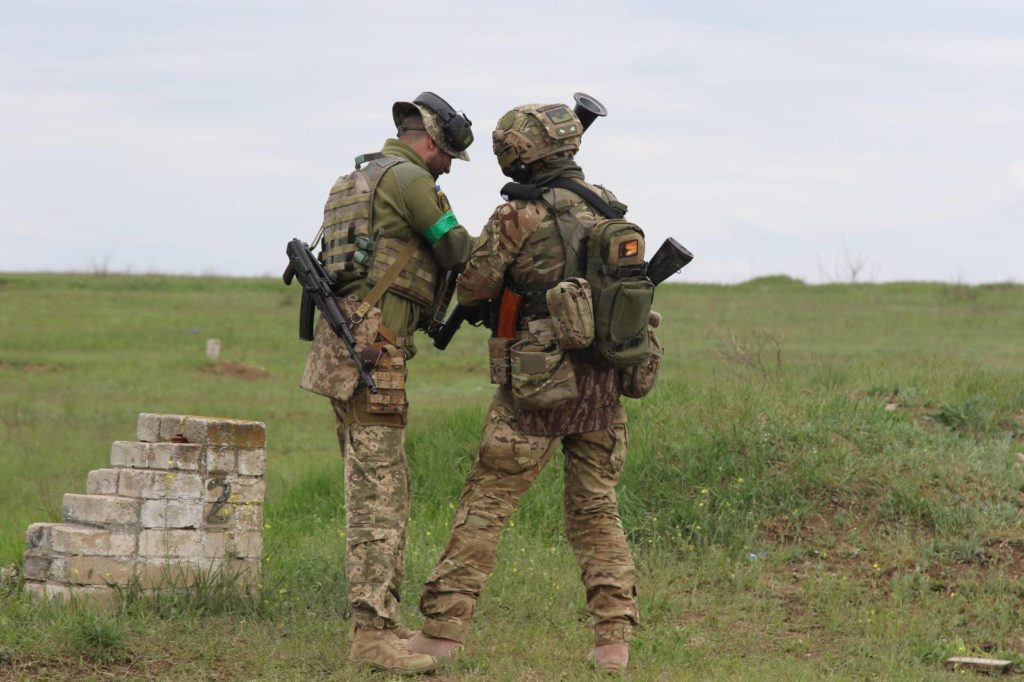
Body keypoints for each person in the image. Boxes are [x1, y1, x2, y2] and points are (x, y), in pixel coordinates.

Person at [409, 101, 641, 673]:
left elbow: (475, 285)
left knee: (486, 505)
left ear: (519, 152)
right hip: (602, 384)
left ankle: (441, 633)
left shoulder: (518, 215)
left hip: (535, 389)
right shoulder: (608, 205)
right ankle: (613, 641)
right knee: (596, 511)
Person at [298, 92, 474, 675]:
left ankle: (385, 622)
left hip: (347, 344)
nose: (447, 166)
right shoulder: (411, 179)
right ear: (429, 142)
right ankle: (372, 636)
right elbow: (455, 248)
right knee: (380, 498)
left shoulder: (359, 176)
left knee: (374, 486)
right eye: (447, 155)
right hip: (376, 352)